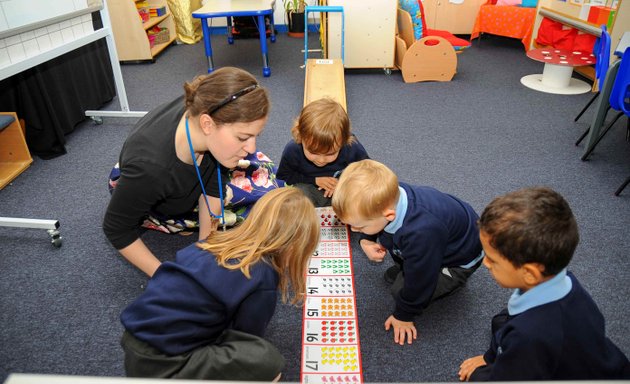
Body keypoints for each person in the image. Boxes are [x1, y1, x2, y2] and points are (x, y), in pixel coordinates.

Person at [119, 187, 320, 381]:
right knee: (268, 361)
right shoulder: (263, 274)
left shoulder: (211, 242)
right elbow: (246, 337)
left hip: (133, 341)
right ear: (295, 246)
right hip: (165, 364)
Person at [103, 67, 270, 277]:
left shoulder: (205, 110)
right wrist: (165, 276)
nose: (252, 147)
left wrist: (205, 248)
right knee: (258, 211)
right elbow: (116, 228)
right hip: (148, 190)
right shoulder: (151, 170)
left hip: (170, 175)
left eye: (255, 136)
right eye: (243, 138)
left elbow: (213, 184)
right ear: (207, 124)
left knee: (263, 180)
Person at [458, 187, 630, 381]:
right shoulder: (567, 282)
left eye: (492, 260)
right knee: (501, 322)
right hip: (601, 362)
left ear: (530, 274)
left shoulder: (530, 336)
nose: (486, 264)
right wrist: (489, 357)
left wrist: (479, 374)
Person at [332, 159, 482, 345]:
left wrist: (404, 315)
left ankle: (453, 281)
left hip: (458, 259)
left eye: (359, 226)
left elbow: (421, 278)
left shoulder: (421, 233)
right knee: (403, 264)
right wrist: (366, 238)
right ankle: (408, 263)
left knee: (403, 289)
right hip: (434, 243)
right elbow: (376, 222)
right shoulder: (386, 196)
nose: (353, 230)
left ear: (388, 215)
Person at [276, 97, 369, 207]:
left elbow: (367, 171)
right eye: (313, 152)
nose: (321, 160)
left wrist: (344, 184)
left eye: (330, 154)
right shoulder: (293, 150)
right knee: (296, 197)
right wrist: (314, 180)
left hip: (341, 190)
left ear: (344, 141)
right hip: (309, 190)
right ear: (301, 137)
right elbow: (283, 177)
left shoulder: (351, 146)